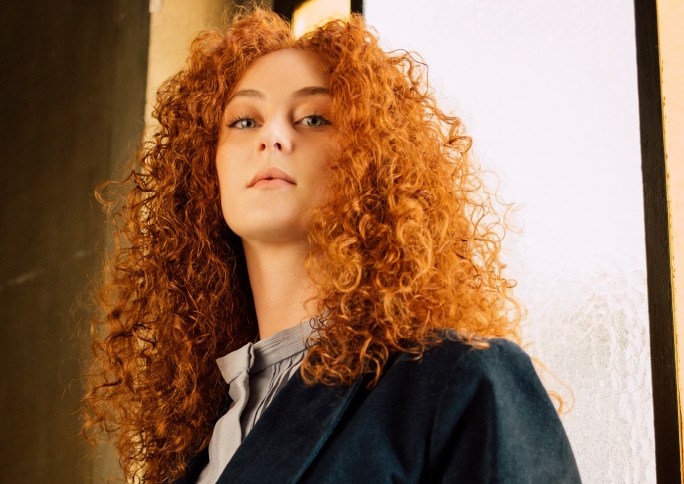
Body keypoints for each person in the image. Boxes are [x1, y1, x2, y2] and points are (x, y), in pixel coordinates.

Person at [83, 8, 581, 483]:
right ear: (205, 169)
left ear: (373, 162)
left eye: (314, 118)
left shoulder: (462, 382)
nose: (272, 136)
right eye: (244, 120)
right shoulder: (197, 447)